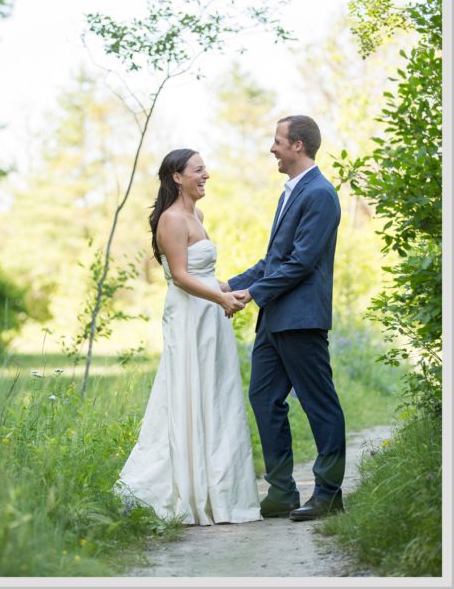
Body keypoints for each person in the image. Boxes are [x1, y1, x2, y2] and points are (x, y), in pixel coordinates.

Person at [115, 149, 261, 526]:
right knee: (187, 392)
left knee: (214, 394)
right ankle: (183, 488)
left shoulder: (197, 215)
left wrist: (231, 289)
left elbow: (204, 272)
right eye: (198, 170)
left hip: (208, 314)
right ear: (177, 177)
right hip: (189, 317)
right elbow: (180, 276)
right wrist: (220, 298)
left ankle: (219, 490)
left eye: (205, 168)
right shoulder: (172, 219)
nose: (206, 175)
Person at [224, 115, 345, 522]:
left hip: (302, 320)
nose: (271, 148)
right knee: (263, 397)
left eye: (277, 141)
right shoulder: (289, 192)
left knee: (318, 404)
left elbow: (301, 263)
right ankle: (281, 491)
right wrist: (227, 285)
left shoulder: (321, 194)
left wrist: (252, 294)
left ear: (298, 145)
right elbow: (273, 260)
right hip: (273, 321)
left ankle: (328, 494)